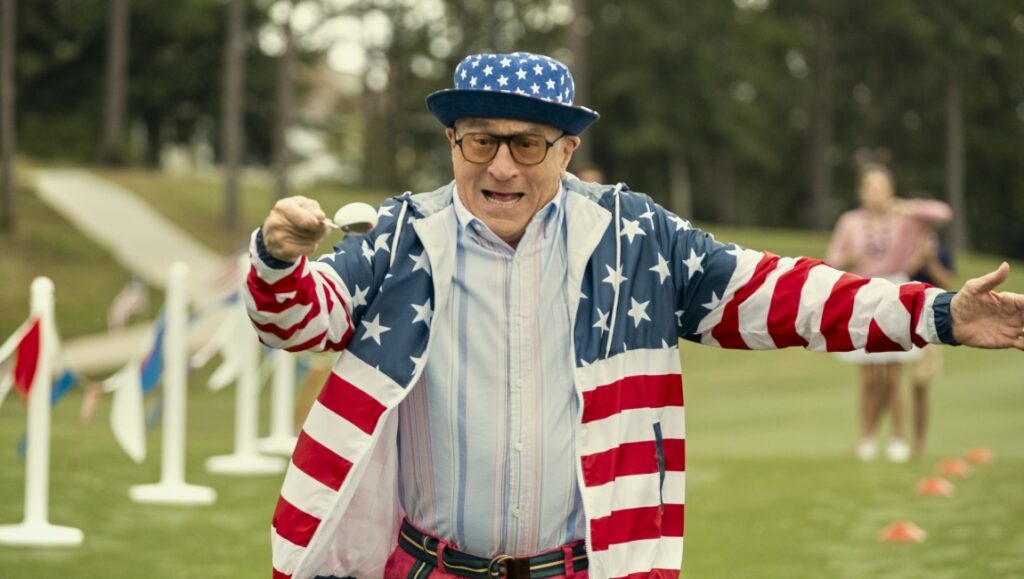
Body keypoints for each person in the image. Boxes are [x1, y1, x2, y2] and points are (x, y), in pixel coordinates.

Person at [248, 51, 1024, 579]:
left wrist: (943, 314)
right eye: (479, 140)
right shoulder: (399, 236)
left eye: (525, 142)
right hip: (424, 565)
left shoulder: (632, 236)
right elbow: (296, 322)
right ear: (453, 141)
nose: (500, 165)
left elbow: (782, 293)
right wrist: (278, 259)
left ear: (567, 150)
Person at [824, 164, 953, 462]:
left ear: (891, 191)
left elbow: (942, 214)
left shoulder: (904, 220)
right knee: (869, 376)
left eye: (882, 187)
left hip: (895, 290)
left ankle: (898, 439)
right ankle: (867, 437)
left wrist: (906, 206)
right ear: (861, 192)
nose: (876, 194)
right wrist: (849, 258)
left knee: (894, 373)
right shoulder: (850, 221)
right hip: (860, 292)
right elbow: (832, 258)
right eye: (870, 187)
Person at [906, 231, 957, 457]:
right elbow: (900, 275)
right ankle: (893, 442)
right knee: (889, 383)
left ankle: (918, 445)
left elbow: (948, 283)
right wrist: (918, 257)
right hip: (900, 320)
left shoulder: (942, 251)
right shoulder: (904, 246)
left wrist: (931, 259)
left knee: (919, 386)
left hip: (928, 325)